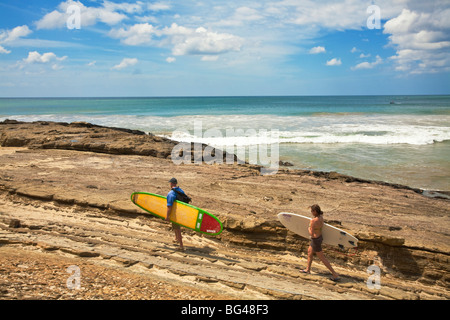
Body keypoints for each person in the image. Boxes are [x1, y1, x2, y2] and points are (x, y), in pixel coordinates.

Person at [301, 204, 340, 281]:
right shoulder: (321, 217)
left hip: (315, 240)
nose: (311, 212)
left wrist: (308, 227)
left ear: (315, 211)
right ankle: (308, 269)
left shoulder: (313, 221)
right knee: (309, 252)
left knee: (322, 258)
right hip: (319, 238)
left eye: (312, 211)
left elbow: (311, 234)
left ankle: (335, 274)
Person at [166, 177, 185, 251]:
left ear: (171, 184)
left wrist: (167, 216)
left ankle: (181, 246)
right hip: (181, 212)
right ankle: (176, 239)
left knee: (177, 229)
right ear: (176, 184)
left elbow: (169, 206)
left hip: (175, 213)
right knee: (175, 227)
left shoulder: (171, 193)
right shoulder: (180, 190)